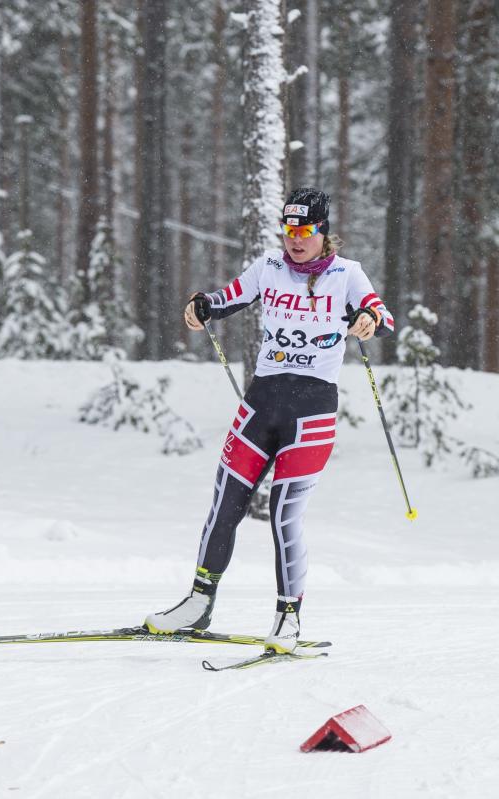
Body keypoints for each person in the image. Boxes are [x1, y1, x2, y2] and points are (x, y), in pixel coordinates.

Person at [144, 188, 393, 652]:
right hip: (261, 404)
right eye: (289, 231)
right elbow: (226, 298)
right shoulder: (269, 268)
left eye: (305, 232)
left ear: (323, 233)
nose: (295, 240)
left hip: (312, 412)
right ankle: (199, 603)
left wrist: (367, 319)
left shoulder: (346, 274)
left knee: (284, 516)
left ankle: (288, 617)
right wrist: (202, 306)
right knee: (225, 505)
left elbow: (382, 315)